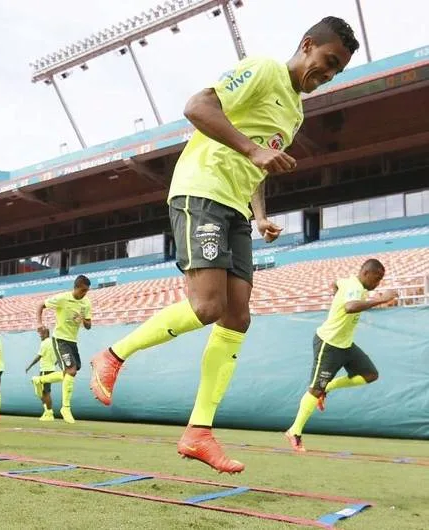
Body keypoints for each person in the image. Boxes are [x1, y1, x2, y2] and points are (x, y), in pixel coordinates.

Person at [88, 17, 360, 474]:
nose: (328, 74)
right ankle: (113, 354)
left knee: (238, 316)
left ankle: (199, 432)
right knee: (209, 305)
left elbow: (256, 165)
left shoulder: (294, 111)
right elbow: (197, 107)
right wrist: (254, 152)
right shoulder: (264, 70)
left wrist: (260, 215)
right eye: (328, 62)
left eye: (337, 70)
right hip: (201, 190)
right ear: (307, 44)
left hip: (234, 208)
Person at [285, 259, 396, 451]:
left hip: (345, 345)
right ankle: (294, 431)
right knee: (314, 390)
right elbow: (350, 307)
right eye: (377, 279)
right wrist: (381, 299)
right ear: (366, 273)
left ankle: (329, 387)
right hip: (328, 344)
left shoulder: (348, 282)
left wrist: (336, 294)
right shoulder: (354, 287)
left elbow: (335, 283)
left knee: (370, 375)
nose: (378, 284)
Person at [35, 275, 92, 424]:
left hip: (73, 341)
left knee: (70, 373)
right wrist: (39, 323)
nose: (84, 294)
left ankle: (40, 380)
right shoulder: (62, 298)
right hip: (60, 339)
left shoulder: (86, 303)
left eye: (86, 291)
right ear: (76, 287)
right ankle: (65, 408)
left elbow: (88, 325)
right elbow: (41, 305)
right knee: (71, 371)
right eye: (83, 290)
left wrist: (82, 319)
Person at [25, 326, 58, 421]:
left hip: (45, 370)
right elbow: (57, 357)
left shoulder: (44, 343)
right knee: (44, 392)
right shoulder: (53, 342)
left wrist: (29, 366)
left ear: (45, 333)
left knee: (45, 392)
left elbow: (39, 356)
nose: (40, 336)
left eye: (41, 334)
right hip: (51, 369)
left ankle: (49, 413)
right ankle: (47, 412)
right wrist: (53, 363)